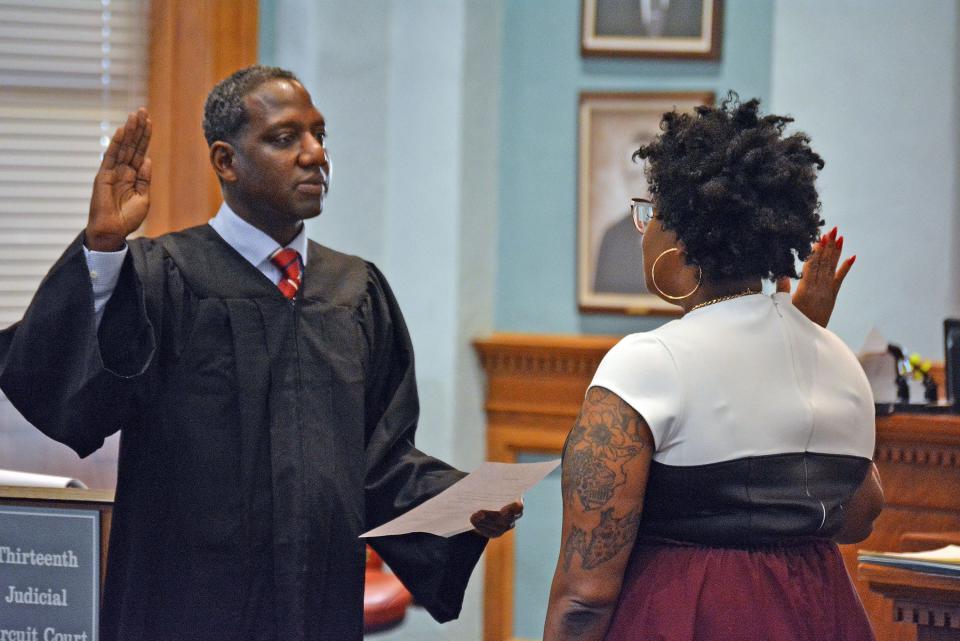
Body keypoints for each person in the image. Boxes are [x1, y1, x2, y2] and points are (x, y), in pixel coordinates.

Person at [0, 65, 521, 641]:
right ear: (226, 161)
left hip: (317, 601)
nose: (314, 154)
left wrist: (459, 503)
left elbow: (379, 458)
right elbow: (65, 388)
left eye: (320, 135)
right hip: (187, 602)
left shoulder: (354, 291)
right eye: (284, 137)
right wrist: (102, 248)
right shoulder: (162, 277)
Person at [543, 95, 880, 641]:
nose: (642, 229)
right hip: (822, 615)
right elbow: (860, 515)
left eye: (651, 213)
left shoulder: (648, 362)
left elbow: (585, 596)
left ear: (682, 237)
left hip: (692, 616)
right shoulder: (839, 359)